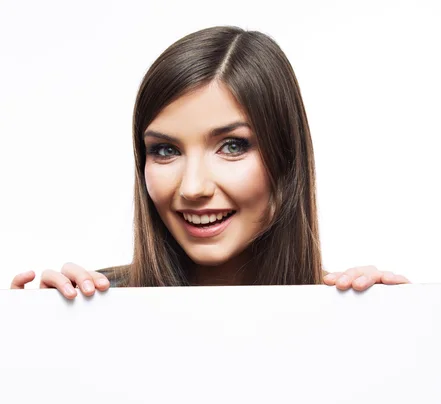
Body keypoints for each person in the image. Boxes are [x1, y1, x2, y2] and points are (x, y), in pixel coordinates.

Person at [10, 25, 410, 297]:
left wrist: (399, 337)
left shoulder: (346, 314)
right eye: (165, 150)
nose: (193, 187)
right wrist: (33, 348)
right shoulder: (93, 309)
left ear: (287, 158)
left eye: (232, 146)